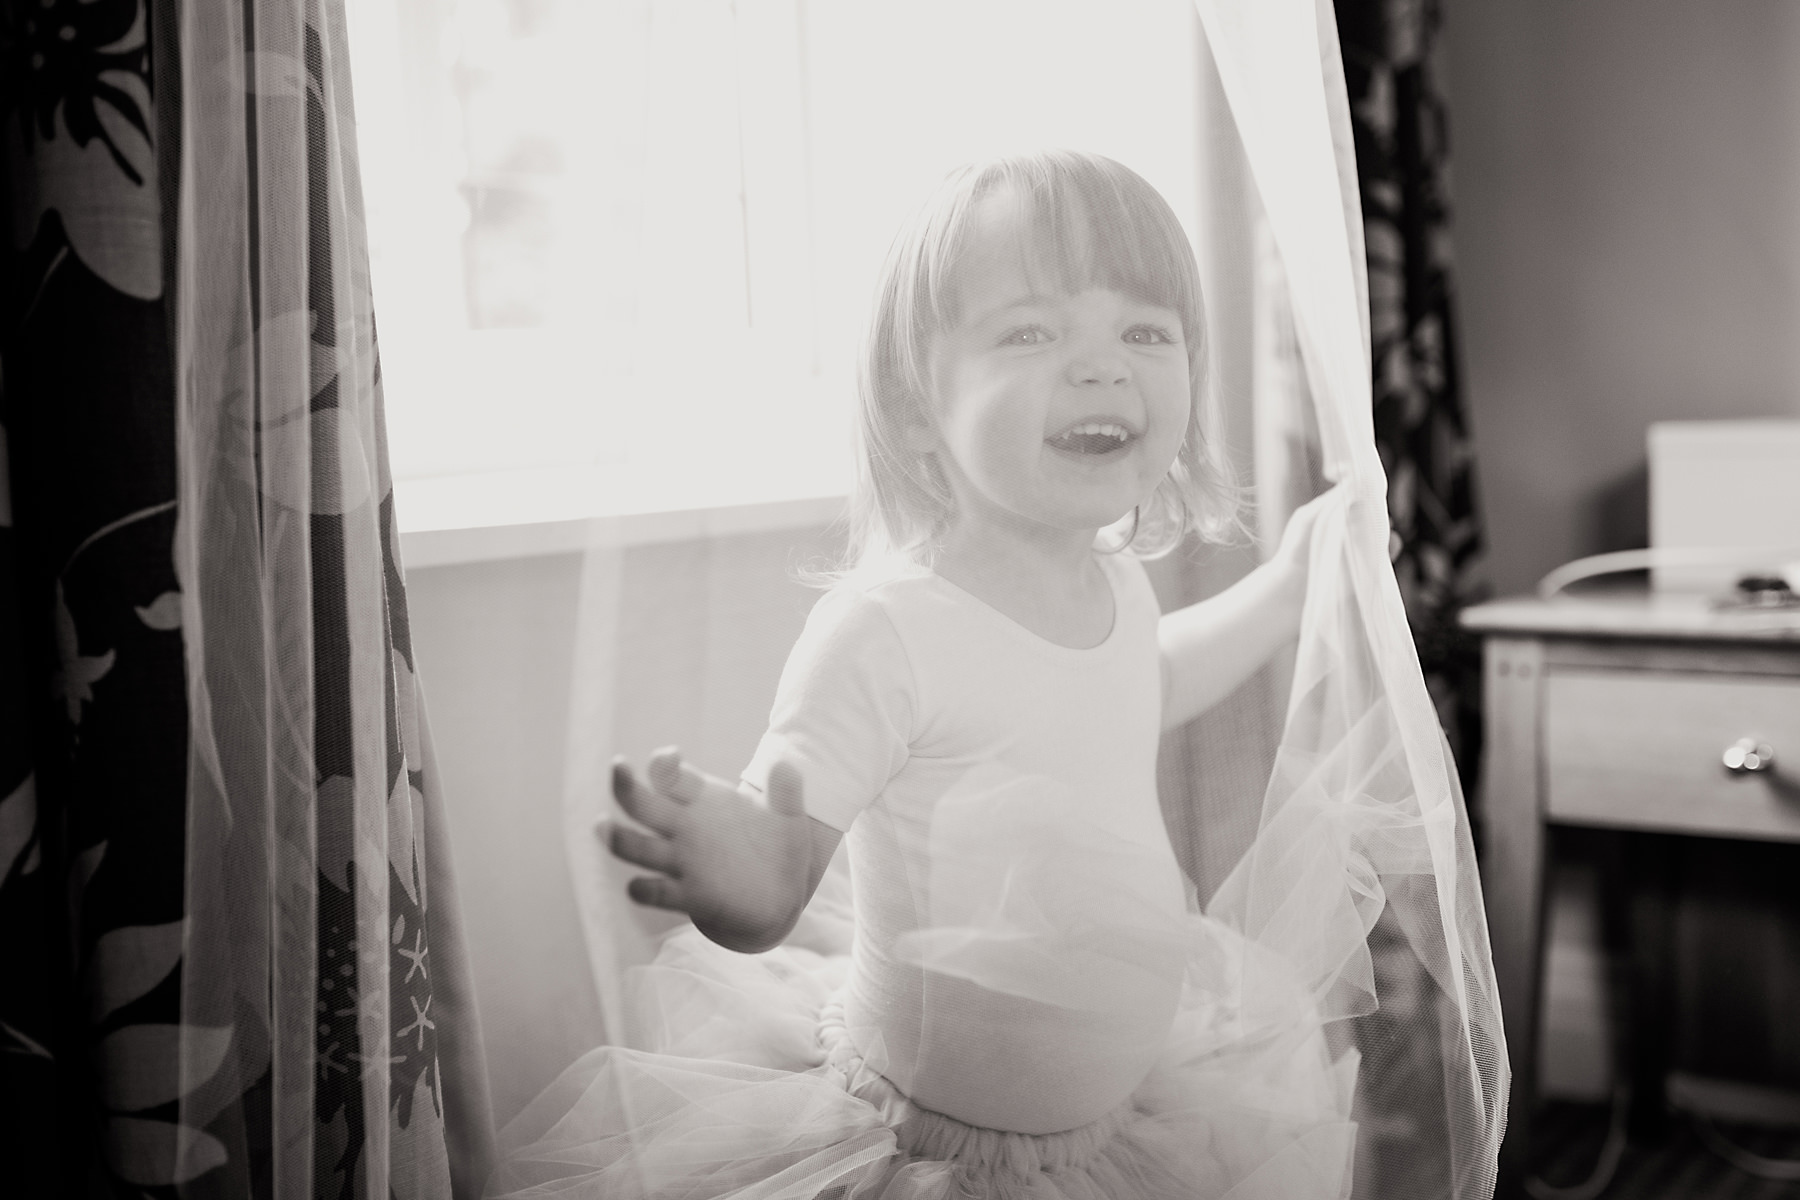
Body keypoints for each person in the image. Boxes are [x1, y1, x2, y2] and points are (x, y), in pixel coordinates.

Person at [485, 150, 1354, 1200]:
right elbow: (786, 845)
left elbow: (1141, 687)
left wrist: (1291, 582)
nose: (1104, 366)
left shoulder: (1115, 584)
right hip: (937, 1154)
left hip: (1130, 1120)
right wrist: (746, 871)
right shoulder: (887, 629)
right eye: (1033, 332)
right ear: (912, 409)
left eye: (1145, 332)